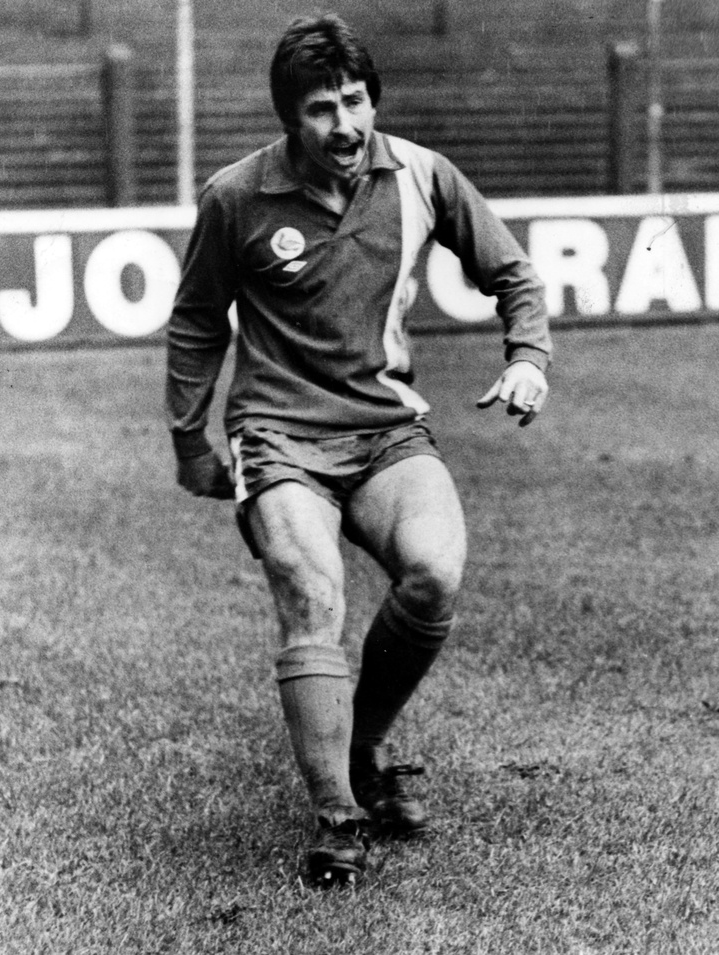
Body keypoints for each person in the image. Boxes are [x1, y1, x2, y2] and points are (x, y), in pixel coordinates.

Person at [166, 13, 552, 888]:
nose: (344, 124)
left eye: (355, 100)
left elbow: (514, 275)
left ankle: (366, 749)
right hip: (278, 435)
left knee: (435, 574)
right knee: (314, 593)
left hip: (384, 428)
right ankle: (338, 816)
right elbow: (195, 323)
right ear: (287, 119)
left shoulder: (421, 174)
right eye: (319, 109)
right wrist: (191, 437)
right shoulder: (236, 197)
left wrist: (527, 356)